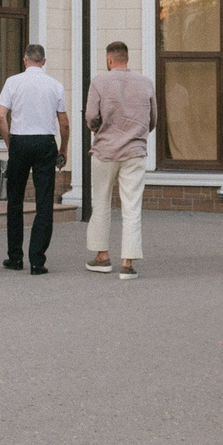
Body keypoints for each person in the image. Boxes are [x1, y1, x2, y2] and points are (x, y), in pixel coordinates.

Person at [80, 41, 154, 277]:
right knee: (132, 207)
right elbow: (153, 120)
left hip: (105, 151)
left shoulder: (99, 82)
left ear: (110, 59)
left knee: (101, 203)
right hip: (135, 152)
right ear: (127, 58)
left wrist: (99, 130)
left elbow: (91, 116)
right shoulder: (146, 83)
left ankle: (102, 257)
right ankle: (127, 263)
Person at [0, 43, 70, 274]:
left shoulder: (13, 82)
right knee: (44, 201)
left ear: (24, 60)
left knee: (15, 201)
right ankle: (37, 260)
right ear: (44, 61)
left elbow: (0, 117)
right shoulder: (55, 85)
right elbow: (64, 123)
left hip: (20, 141)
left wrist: (10, 143)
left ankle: (15, 258)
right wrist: (63, 149)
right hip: (45, 142)